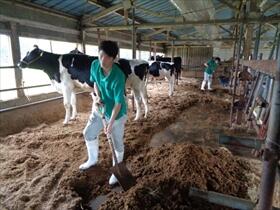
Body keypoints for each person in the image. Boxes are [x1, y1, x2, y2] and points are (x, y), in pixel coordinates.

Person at [79, 40, 127, 186]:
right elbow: (95, 83)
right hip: (100, 108)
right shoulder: (95, 65)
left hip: (116, 114)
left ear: (113, 58)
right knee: (88, 133)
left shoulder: (118, 76)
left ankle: (117, 169)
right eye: (100, 56)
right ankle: (92, 160)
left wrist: (111, 122)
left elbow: (119, 103)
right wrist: (98, 96)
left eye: (106, 57)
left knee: (116, 142)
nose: (102, 60)